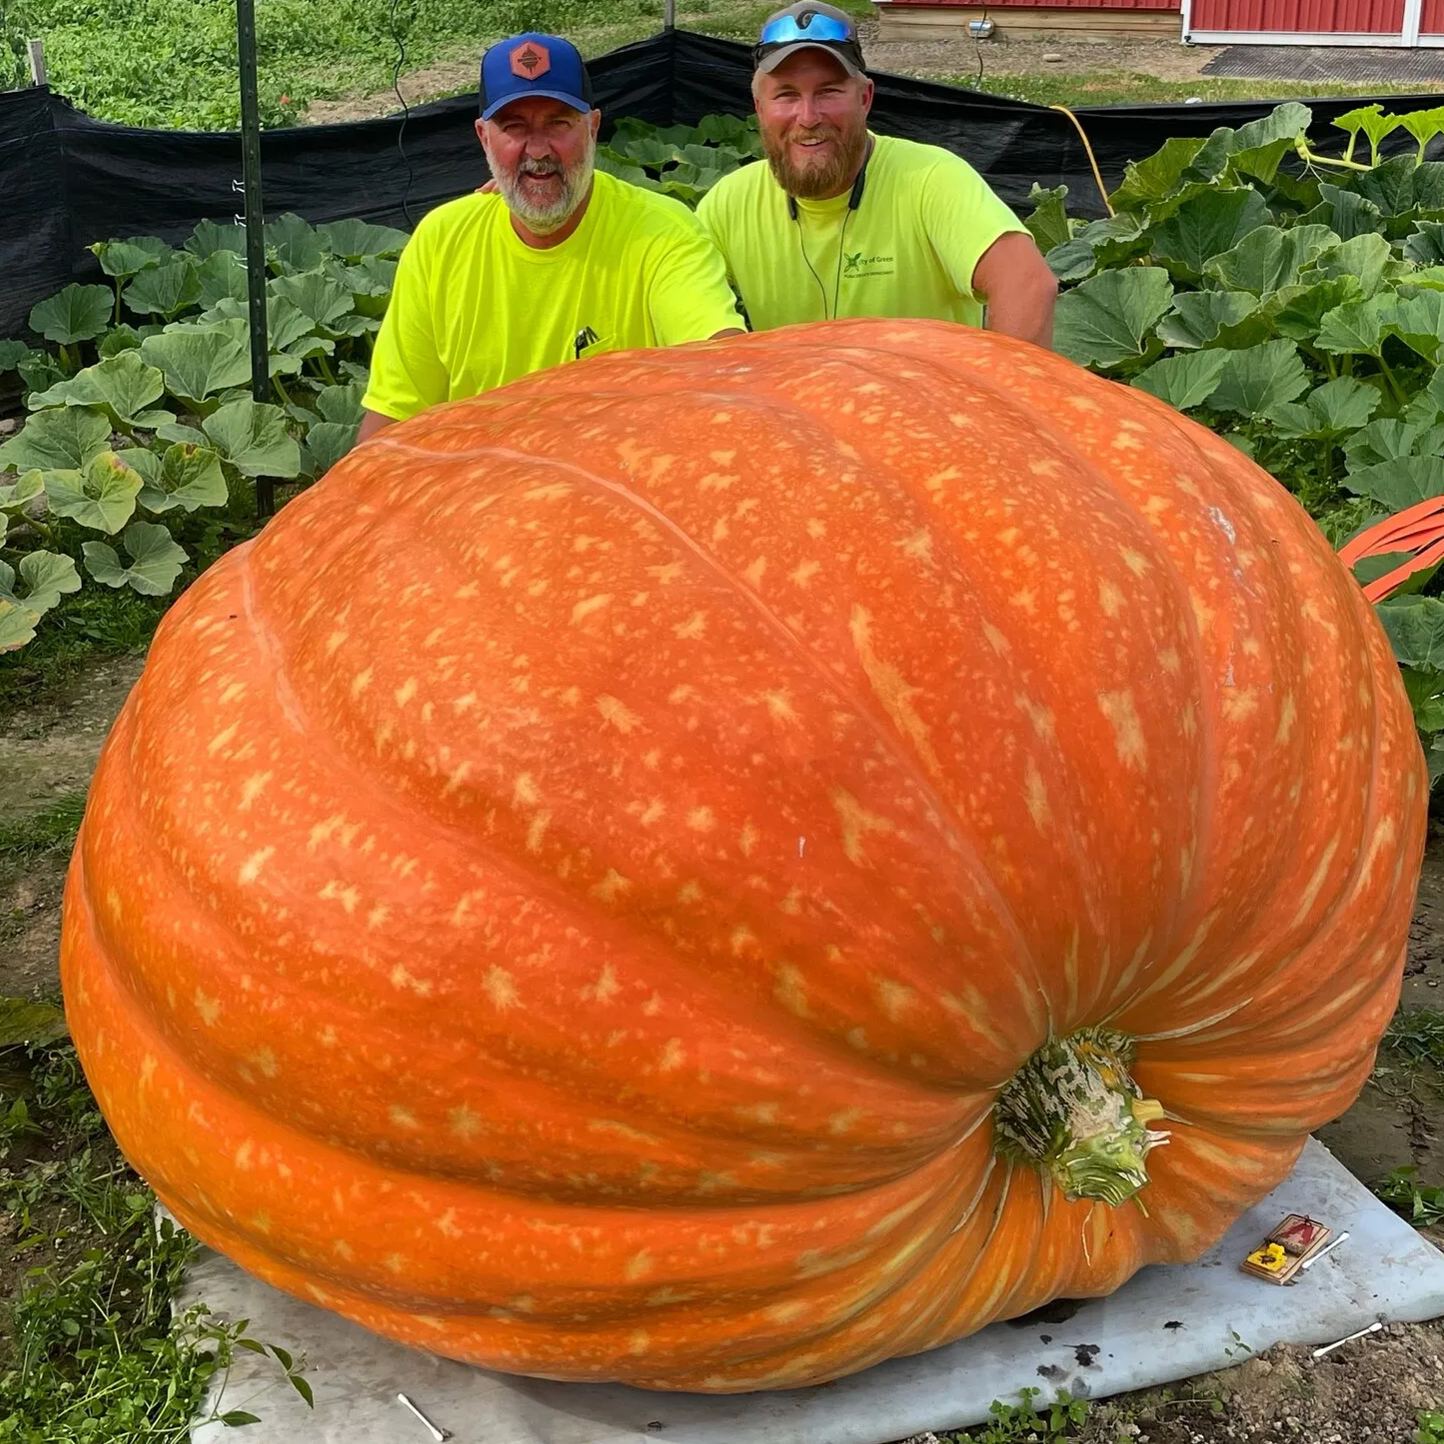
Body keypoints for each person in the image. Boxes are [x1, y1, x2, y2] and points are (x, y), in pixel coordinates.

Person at [358, 33, 744, 442]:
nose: (538, 150)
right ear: (483, 138)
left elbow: (720, 363)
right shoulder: (441, 240)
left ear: (593, 128)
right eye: (514, 127)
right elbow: (393, 415)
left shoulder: (661, 231)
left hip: (619, 486)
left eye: (558, 123)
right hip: (480, 489)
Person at [695, 3, 1058, 348]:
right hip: (795, 411)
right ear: (759, 107)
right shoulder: (729, 201)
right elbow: (684, 301)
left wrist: (997, 399)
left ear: (865, 98)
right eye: (786, 96)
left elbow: (1026, 284)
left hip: (924, 407)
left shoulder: (930, 178)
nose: (807, 117)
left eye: (828, 92)